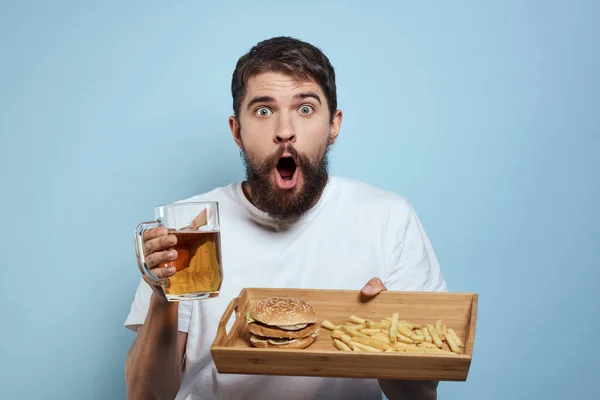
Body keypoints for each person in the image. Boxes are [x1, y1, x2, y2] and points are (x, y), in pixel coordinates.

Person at [124, 36, 448, 400]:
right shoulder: (190, 228)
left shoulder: (389, 218)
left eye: (305, 109)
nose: (285, 130)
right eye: (263, 111)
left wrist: (386, 331)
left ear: (334, 125)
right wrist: (162, 296)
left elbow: (418, 395)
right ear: (237, 132)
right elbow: (145, 396)